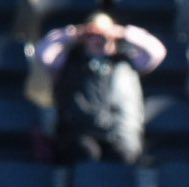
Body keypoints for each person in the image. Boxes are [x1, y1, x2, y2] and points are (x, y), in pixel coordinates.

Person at [36, 12, 167, 165]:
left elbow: (157, 51)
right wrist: (76, 32)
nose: (100, 39)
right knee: (85, 157)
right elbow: (43, 52)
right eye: (94, 35)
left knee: (123, 160)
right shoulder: (69, 61)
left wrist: (124, 32)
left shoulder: (128, 61)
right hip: (81, 132)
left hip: (121, 132)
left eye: (105, 34)